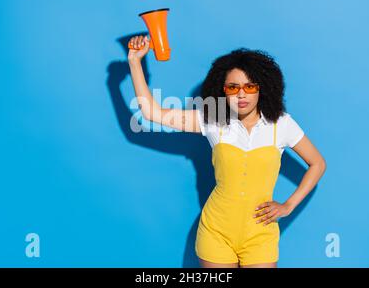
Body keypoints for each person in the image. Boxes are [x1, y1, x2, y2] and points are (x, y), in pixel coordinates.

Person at [127, 35, 327, 268]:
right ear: (223, 91)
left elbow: (318, 163)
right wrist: (135, 62)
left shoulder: (281, 124)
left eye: (249, 86)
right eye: (233, 87)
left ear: (262, 88)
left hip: (260, 234)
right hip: (216, 231)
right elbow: (152, 113)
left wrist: (288, 205)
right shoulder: (213, 120)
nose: (241, 94)